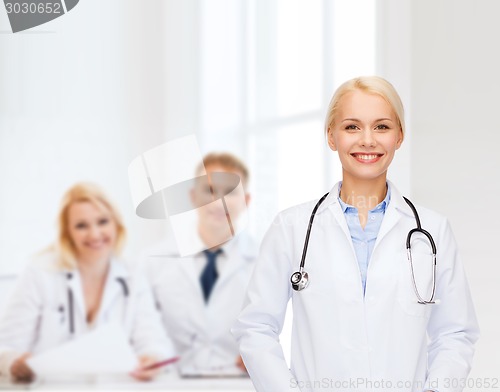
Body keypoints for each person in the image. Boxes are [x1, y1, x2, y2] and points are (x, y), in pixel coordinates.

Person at [232, 76, 479, 392]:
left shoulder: (432, 230)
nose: (367, 140)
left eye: (381, 127)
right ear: (331, 136)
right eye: (351, 127)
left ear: (399, 136)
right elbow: (255, 327)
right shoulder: (292, 228)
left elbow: (455, 332)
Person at [0, 183, 175, 383]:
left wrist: (152, 358)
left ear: (116, 225)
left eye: (102, 222)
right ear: (68, 233)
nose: (94, 234)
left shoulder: (133, 275)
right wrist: (14, 362)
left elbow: (154, 340)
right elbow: (5, 345)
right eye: (81, 226)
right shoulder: (40, 274)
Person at [142, 152, 257, 375]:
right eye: (210, 190)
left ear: (246, 201)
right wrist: (151, 355)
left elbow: (276, 329)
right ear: (192, 197)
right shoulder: (153, 261)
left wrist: (262, 352)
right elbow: (143, 326)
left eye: (231, 192)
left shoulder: (264, 261)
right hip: (170, 383)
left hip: (239, 384)